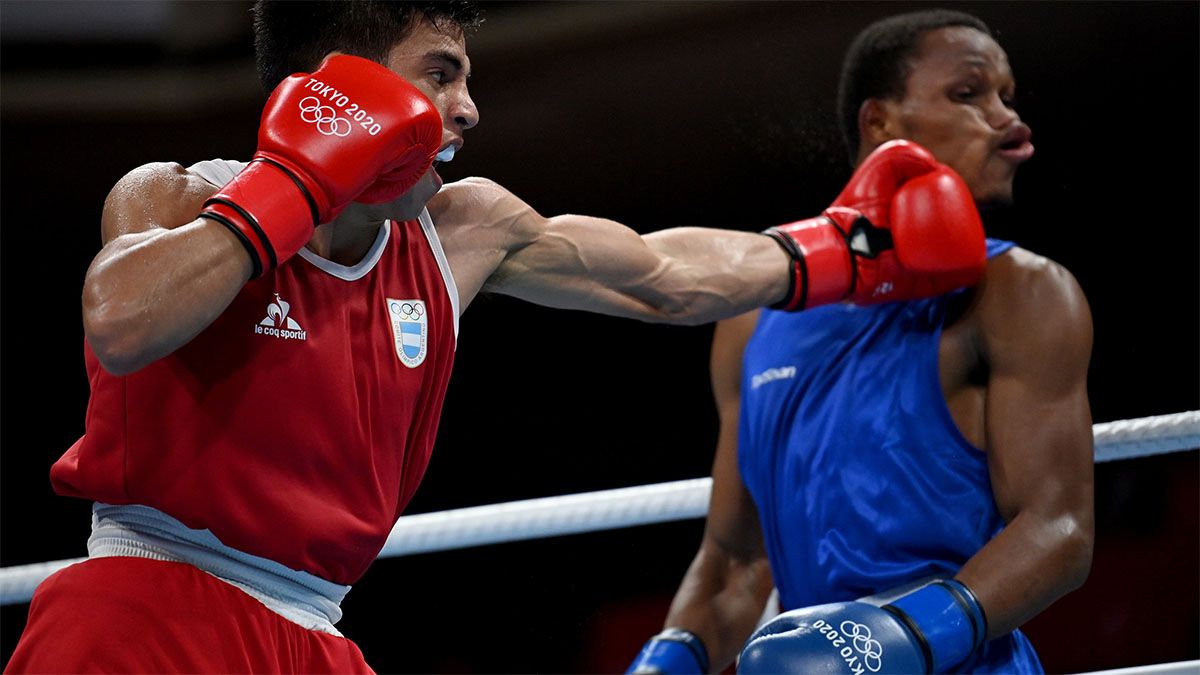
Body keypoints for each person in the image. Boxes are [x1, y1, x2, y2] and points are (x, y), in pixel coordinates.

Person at [5, 3, 990, 673]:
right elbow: (121, 322)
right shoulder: (184, 194)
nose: (469, 108)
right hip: (143, 604)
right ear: (342, 85)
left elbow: (665, 275)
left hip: (315, 633)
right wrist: (297, 187)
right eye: (439, 74)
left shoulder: (461, 232)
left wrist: (853, 249)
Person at [628, 9, 1094, 675]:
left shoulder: (1021, 290)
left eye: (1007, 97)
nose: (1006, 120)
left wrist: (899, 635)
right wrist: (667, 661)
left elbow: (1059, 529)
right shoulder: (754, 317)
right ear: (881, 124)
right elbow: (736, 561)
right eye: (969, 93)